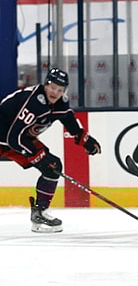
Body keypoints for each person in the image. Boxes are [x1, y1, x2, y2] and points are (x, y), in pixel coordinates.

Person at [0, 67, 101, 233]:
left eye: (60, 90)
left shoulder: (60, 102)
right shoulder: (34, 102)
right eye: (52, 87)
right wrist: (37, 155)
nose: (55, 92)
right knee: (48, 163)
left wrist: (84, 139)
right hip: (8, 138)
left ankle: (40, 212)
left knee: (53, 166)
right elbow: (14, 138)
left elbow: (68, 118)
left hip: (17, 139)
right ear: (46, 85)